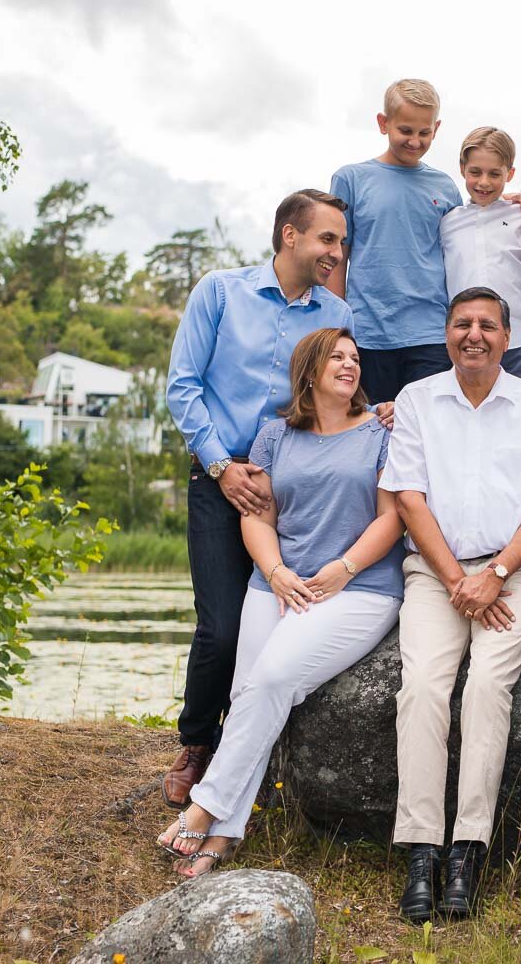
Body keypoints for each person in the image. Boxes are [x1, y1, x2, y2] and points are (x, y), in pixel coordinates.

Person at [157, 328, 405, 876]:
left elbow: (393, 517)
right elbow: (258, 517)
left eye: (355, 358)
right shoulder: (275, 435)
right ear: (309, 371)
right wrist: (275, 572)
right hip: (278, 582)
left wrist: (342, 569)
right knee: (249, 688)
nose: (350, 365)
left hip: (358, 588)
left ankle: (206, 808)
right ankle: (224, 837)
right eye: (336, 357)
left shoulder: (384, 434)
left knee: (270, 680)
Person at [380, 287, 521, 922]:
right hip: (436, 574)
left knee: (488, 686)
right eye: (463, 324)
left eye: (487, 326)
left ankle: (467, 850)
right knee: (422, 688)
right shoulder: (417, 401)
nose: (474, 334)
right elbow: (409, 498)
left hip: (513, 573)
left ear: (507, 335)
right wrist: (456, 581)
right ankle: (421, 852)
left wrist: (494, 574)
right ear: (447, 334)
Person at [162, 189, 358, 809]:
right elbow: (183, 387)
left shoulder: (337, 315)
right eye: (328, 238)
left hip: (293, 490)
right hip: (221, 478)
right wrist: (223, 468)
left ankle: (259, 757)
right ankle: (198, 741)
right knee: (221, 629)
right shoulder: (220, 292)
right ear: (290, 236)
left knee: (276, 625)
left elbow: (339, 395)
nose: (336, 251)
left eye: (341, 241)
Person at [326, 78, 463, 402]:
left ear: (436, 128)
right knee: (370, 432)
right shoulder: (350, 179)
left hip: (430, 334)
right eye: (405, 130)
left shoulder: (445, 187)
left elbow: (459, 254)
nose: (415, 141)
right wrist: (338, 324)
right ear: (383, 123)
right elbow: (337, 256)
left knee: (426, 436)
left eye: (424, 132)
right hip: (368, 334)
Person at [440, 127, 521, 388]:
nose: (484, 182)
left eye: (494, 174)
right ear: (462, 168)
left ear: (509, 174)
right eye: (475, 172)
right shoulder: (448, 223)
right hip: (468, 342)